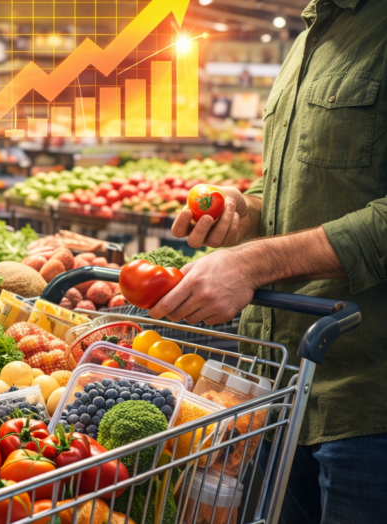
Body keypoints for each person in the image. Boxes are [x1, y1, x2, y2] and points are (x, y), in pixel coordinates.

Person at [148, 2, 387, 522]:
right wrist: (245, 210)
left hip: (367, 405)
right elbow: (294, 186)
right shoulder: (310, 35)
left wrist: (254, 264)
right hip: (282, 389)